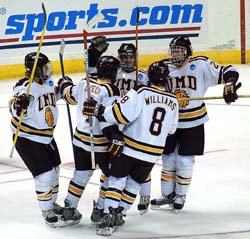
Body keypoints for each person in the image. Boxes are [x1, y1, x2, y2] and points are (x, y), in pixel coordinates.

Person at [83, 60, 179, 236]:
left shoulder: (140, 91)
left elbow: (121, 114)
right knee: (134, 184)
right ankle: (121, 213)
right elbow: (172, 129)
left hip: (131, 147)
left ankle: (110, 215)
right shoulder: (174, 100)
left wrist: (99, 110)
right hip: (153, 154)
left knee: (117, 180)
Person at [150, 35, 241, 211]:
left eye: (180, 51)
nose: (175, 55)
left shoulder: (200, 64)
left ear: (188, 52)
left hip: (194, 121)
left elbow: (229, 70)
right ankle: (167, 195)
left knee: (184, 161)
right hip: (170, 123)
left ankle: (181, 196)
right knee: (168, 160)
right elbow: (147, 85)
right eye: (173, 51)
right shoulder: (164, 67)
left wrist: (229, 84)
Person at [57, 55, 123, 226]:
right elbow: (111, 118)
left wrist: (65, 82)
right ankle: (100, 210)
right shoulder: (111, 90)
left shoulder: (84, 83)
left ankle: (69, 208)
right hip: (102, 143)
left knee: (81, 174)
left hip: (80, 140)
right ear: (115, 72)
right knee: (110, 176)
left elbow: (67, 95)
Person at [88, 36, 151, 215]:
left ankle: (144, 195)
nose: (127, 60)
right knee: (112, 165)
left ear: (136, 57)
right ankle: (105, 198)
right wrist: (93, 53)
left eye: (130, 56)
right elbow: (93, 71)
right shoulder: (114, 74)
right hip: (114, 123)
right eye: (124, 57)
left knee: (141, 160)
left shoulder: (143, 76)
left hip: (135, 125)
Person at [9, 52, 63, 227]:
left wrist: (63, 89)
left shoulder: (46, 82)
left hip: (47, 137)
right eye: (44, 67)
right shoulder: (25, 86)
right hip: (27, 138)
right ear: (35, 69)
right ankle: (46, 209)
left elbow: (51, 96)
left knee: (55, 172)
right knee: (45, 176)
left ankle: (52, 203)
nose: (48, 69)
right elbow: (14, 102)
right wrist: (19, 104)